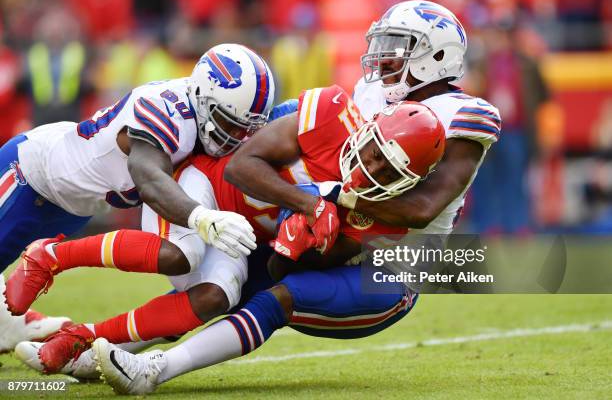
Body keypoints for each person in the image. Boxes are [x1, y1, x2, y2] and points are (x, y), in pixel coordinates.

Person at [91, 0, 501, 395]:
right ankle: (83, 348)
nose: (383, 56)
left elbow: (423, 210)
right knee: (214, 291)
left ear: (435, 56)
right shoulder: (372, 94)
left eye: (398, 46)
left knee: (277, 300)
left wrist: (331, 196)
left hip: (390, 268)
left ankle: (158, 370)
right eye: (384, 43)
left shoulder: (462, 116)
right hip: (330, 235)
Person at [16, 86, 444, 377]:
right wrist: (309, 203)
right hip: (204, 186)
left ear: (407, 182)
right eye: (374, 152)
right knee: (180, 254)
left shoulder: (381, 216)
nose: (372, 166)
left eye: (390, 170)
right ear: (368, 129)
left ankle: (83, 339)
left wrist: (292, 246)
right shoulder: (330, 114)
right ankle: (52, 256)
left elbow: (280, 271)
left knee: (213, 296)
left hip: (240, 234)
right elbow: (241, 167)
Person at [0, 43, 275, 352]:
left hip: (75, 205)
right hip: (31, 173)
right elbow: (148, 176)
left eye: (245, 129)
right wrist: (203, 217)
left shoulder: (201, 115)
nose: (236, 137)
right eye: (229, 123)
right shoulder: (165, 109)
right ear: (202, 98)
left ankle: (6, 326)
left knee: (183, 256)